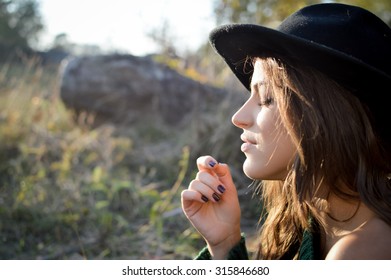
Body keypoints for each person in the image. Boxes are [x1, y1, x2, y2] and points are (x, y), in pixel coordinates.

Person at [181, 3, 391, 260]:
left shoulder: (360, 252)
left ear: (325, 116)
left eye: (267, 98)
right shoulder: (310, 223)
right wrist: (225, 244)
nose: (238, 118)